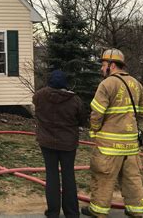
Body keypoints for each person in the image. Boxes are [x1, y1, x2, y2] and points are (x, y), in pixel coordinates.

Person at [81, 49, 143, 218]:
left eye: (103, 65)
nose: (101, 69)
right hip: (131, 145)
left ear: (111, 65)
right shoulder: (136, 84)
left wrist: (95, 130)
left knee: (103, 178)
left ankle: (98, 211)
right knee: (132, 179)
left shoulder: (107, 84)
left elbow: (96, 113)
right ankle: (136, 211)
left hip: (108, 147)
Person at [33, 69, 85, 218]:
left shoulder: (39, 96)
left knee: (52, 175)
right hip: (68, 144)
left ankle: (53, 212)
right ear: (65, 84)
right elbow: (82, 119)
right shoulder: (75, 100)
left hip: (46, 142)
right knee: (69, 175)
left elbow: (35, 107)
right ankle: (72, 213)